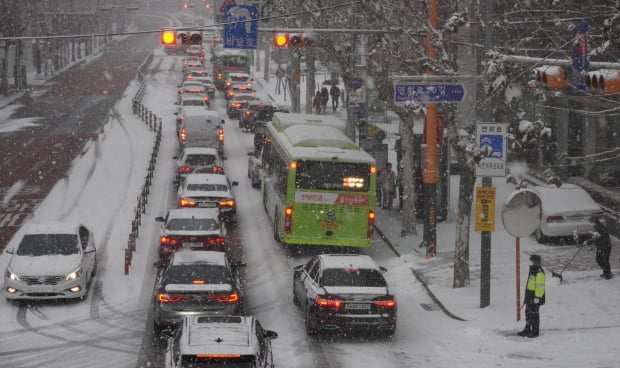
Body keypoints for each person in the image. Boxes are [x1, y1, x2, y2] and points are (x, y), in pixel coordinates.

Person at [519, 254, 546, 338]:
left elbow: (540, 286)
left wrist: (537, 298)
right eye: (533, 261)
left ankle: (535, 331)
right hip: (530, 296)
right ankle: (527, 329)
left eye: (535, 261)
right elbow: (530, 284)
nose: (534, 263)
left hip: (535, 298)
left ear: (538, 262)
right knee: (528, 313)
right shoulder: (533, 270)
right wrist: (527, 296)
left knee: (534, 314)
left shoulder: (539, 272)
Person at [588, 215, 613, 279]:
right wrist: (590, 243)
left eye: (591, 221)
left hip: (606, 246)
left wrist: (589, 241)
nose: (591, 223)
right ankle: (605, 271)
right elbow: (594, 236)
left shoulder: (599, 227)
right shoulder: (596, 227)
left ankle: (608, 274)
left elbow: (596, 237)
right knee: (599, 259)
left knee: (605, 260)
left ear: (595, 221)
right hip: (600, 246)